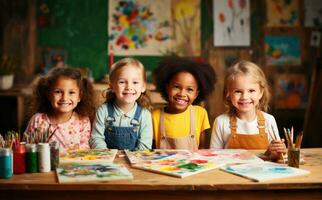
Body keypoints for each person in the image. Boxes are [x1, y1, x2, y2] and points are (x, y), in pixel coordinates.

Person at [209, 60, 286, 161]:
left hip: (262, 174)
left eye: (251, 91)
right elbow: (213, 158)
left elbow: (276, 157)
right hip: (230, 175)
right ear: (228, 94)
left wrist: (277, 152)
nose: (245, 97)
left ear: (261, 93)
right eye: (238, 91)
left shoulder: (269, 120)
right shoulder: (221, 122)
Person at [152, 56, 217, 150]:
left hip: (192, 164)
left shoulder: (200, 114)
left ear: (196, 94)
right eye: (176, 87)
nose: (182, 94)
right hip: (163, 164)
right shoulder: (155, 116)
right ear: (167, 87)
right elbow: (151, 152)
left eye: (189, 89)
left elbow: (201, 147)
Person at [24, 67, 96, 151]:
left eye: (71, 92)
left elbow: (85, 151)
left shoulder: (83, 121)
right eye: (58, 92)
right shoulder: (37, 120)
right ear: (48, 94)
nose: (64, 98)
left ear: (79, 96)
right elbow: (27, 149)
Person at [90, 57, 152, 150]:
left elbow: (145, 146)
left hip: (134, 161)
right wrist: (105, 154)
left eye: (135, 82)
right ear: (112, 86)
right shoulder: (103, 111)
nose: (129, 87)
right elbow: (96, 138)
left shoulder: (144, 115)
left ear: (143, 87)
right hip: (107, 160)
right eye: (122, 82)